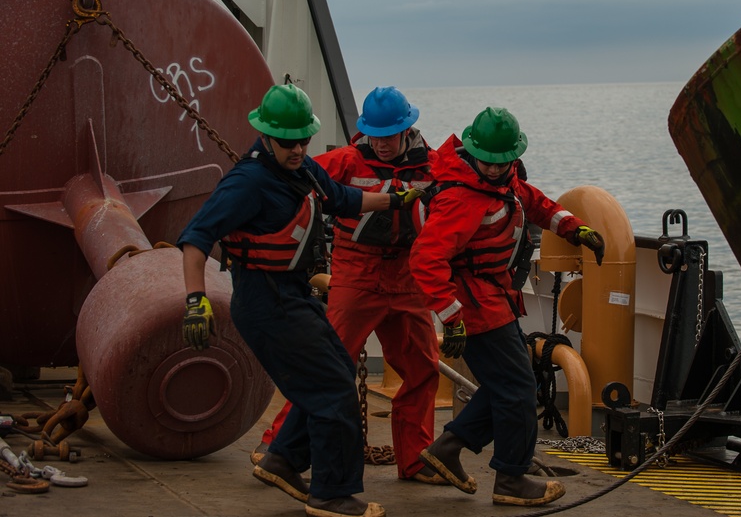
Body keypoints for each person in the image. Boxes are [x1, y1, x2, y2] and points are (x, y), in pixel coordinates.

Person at [179, 83, 420, 517]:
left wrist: (394, 200)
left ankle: (283, 459)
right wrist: (195, 300)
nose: (297, 149)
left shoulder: (302, 169)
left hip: (294, 294)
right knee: (332, 391)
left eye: (303, 140)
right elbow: (196, 239)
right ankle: (332, 494)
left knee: (339, 372)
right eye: (288, 142)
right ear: (267, 136)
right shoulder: (248, 182)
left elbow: (342, 199)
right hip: (265, 302)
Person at [409, 107, 605, 507]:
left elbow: (534, 202)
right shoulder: (461, 199)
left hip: (494, 300)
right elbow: (425, 259)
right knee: (517, 389)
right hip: (475, 308)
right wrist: (451, 318)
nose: (496, 169)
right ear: (473, 152)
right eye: (489, 162)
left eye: (504, 162)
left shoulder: (501, 177)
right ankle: (511, 479)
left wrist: (574, 227)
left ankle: (448, 448)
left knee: (509, 386)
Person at [254, 86, 444, 485]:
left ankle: (416, 460)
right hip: (357, 276)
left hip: (408, 279)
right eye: (373, 135)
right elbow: (290, 178)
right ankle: (276, 448)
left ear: (407, 130)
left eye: (388, 136)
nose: (381, 144)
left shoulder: (435, 168)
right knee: (327, 366)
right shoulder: (344, 161)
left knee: (422, 368)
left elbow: (470, 188)